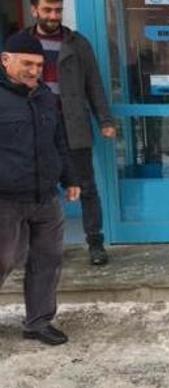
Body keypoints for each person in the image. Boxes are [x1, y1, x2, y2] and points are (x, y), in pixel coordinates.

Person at [0, 32, 80, 346]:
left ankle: (38, 322)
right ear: (6, 60)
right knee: (4, 260)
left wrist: (71, 179)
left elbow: (58, 141)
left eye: (39, 65)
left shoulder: (45, 96)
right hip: (6, 198)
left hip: (46, 197)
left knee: (47, 260)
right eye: (27, 63)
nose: (34, 71)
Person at [27, 0, 115, 265]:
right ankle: (41, 247)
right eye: (47, 11)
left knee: (86, 186)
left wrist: (105, 120)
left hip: (72, 125)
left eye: (58, 11)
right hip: (37, 127)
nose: (54, 16)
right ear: (35, 11)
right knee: (39, 188)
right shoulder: (21, 43)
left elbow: (94, 84)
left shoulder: (77, 43)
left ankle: (95, 243)